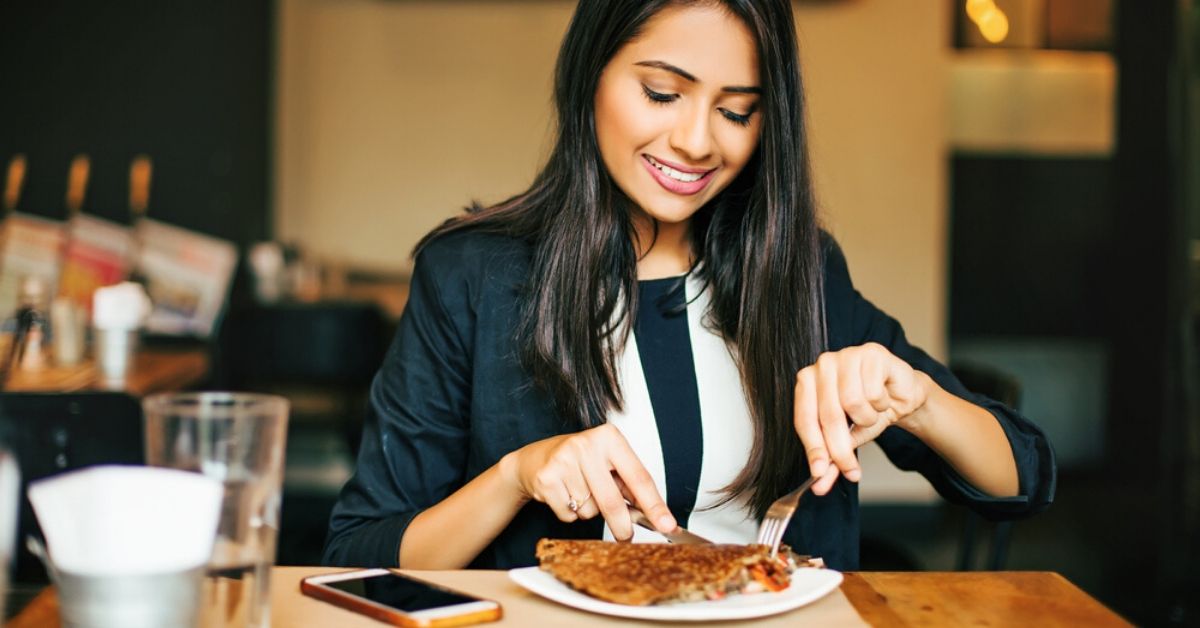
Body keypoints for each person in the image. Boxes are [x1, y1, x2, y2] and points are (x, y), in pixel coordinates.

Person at [323, 0, 1055, 572]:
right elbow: (359, 557)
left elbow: (1020, 477)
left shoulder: (796, 270)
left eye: (737, 110)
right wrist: (515, 476)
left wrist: (918, 399)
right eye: (663, 93)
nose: (699, 142)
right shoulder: (473, 276)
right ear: (591, 76)